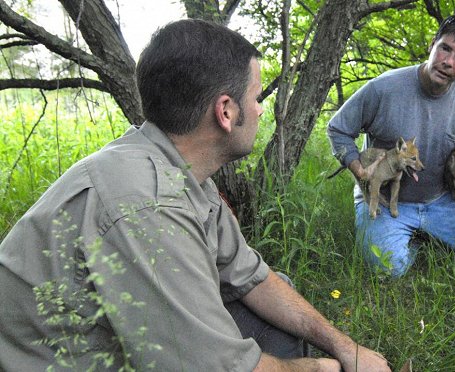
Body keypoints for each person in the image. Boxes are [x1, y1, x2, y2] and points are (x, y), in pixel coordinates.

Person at [0, 20, 390, 372]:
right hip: (60, 360)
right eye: (256, 97)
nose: (259, 109)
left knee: (276, 301)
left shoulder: (183, 173)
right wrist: (323, 369)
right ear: (225, 111)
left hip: (107, 331)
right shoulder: (149, 206)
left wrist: (345, 347)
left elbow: (252, 278)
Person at [327, 14, 455, 277]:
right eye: (444, 48)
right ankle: (410, 238)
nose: (448, 61)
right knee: (387, 270)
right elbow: (338, 129)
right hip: (386, 199)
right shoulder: (384, 88)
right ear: (432, 44)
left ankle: (427, 232)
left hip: (442, 201)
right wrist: (362, 173)